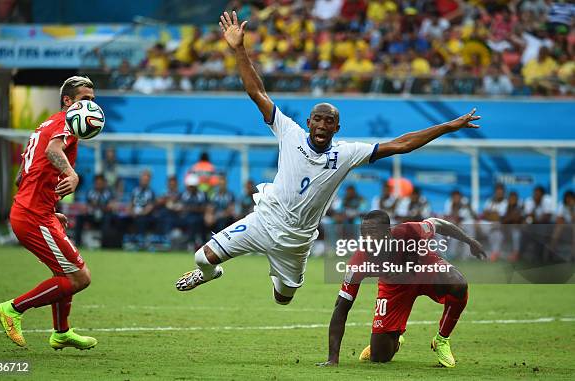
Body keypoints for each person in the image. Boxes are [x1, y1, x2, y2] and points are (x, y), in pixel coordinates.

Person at [175, 11, 482, 306]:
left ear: (337, 127)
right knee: (203, 257)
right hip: (265, 220)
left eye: (328, 121)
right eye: (317, 119)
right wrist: (239, 49)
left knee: (283, 298)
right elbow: (257, 92)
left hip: (297, 240)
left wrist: (447, 126)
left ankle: (279, 275)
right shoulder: (289, 132)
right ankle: (210, 275)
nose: (322, 125)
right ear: (309, 122)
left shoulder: (346, 153)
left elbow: (401, 144)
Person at [0, 76, 97, 349]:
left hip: (35, 212)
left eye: (93, 101)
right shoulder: (65, 124)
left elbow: (21, 176)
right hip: (33, 216)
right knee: (79, 277)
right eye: (85, 100)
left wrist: (49, 208)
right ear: (68, 101)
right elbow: (53, 151)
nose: (91, 106)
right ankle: (13, 309)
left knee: (64, 272)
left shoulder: (46, 125)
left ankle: (61, 333)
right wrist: (71, 174)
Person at [317, 211, 485, 368]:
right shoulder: (360, 261)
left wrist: (469, 241)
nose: (368, 238)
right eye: (364, 233)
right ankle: (395, 338)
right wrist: (333, 358)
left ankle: (442, 339)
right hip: (394, 288)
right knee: (379, 357)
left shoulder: (410, 232)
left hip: (426, 270)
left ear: (388, 232)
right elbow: (341, 306)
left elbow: (438, 224)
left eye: (373, 232)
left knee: (458, 283)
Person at [74, 174, 114, 247]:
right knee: (80, 217)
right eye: (97, 183)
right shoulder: (90, 192)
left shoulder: (108, 193)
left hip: (104, 215)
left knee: (108, 218)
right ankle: (77, 243)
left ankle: (105, 244)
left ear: (104, 183)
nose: (98, 185)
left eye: (100, 183)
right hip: (92, 215)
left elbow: (110, 206)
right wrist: (87, 208)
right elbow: (86, 206)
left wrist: (99, 206)